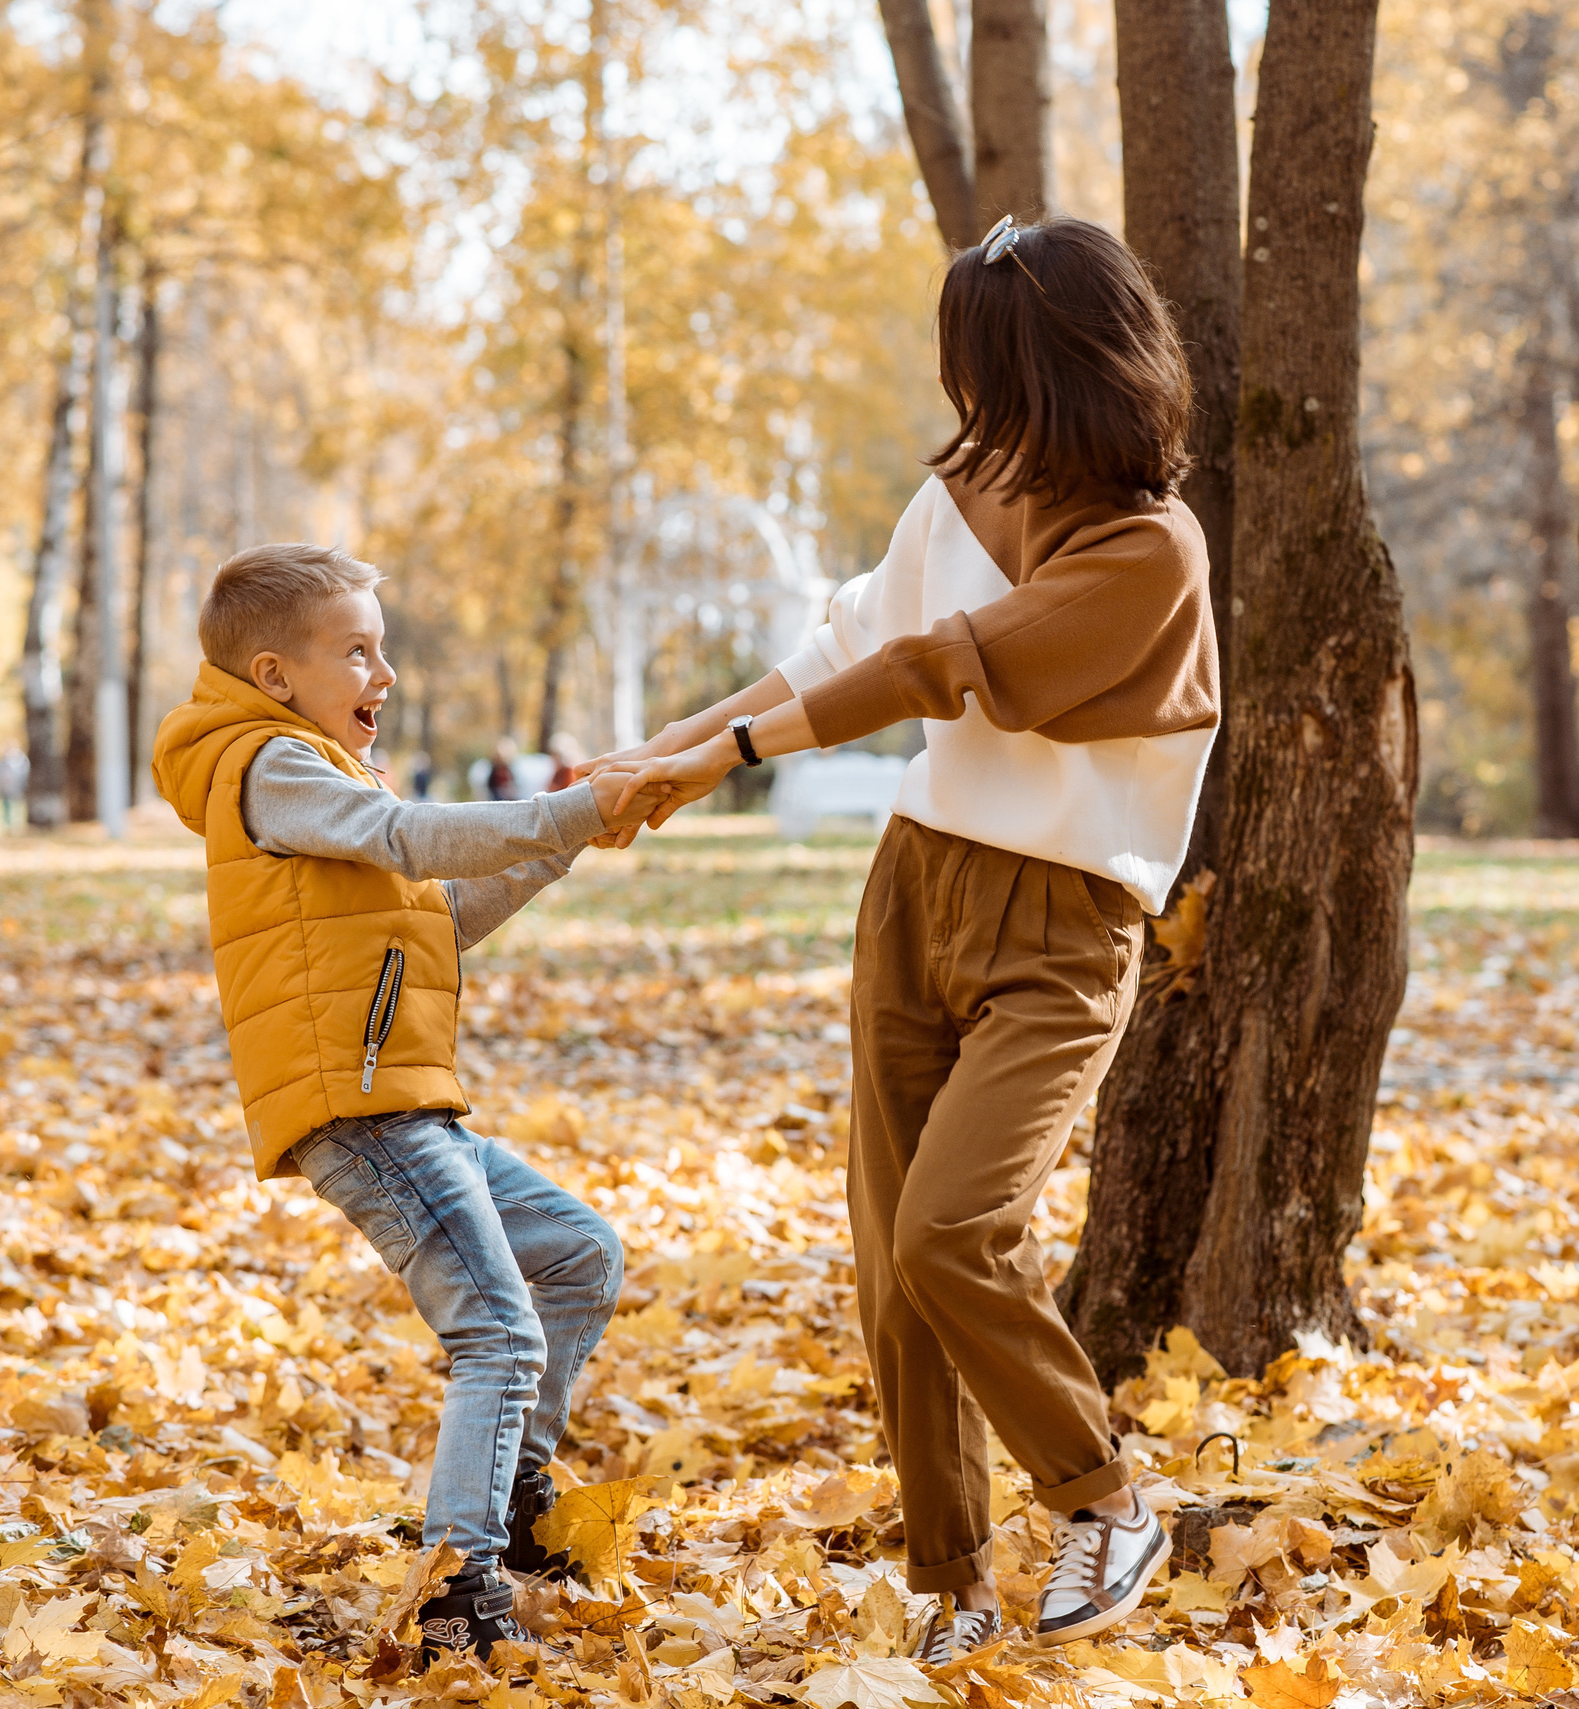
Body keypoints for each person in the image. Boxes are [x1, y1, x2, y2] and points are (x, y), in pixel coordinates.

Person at [597, 215, 1216, 1660]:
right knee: (891, 1263)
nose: (970, 405)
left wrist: (725, 757)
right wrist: (666, 750)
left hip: (1061, 928)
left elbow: (939, 666)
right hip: (918, 889)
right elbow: (840, 646)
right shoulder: (964, 490)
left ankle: (1105, 1497)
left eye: (986, 371)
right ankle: (955, 1589)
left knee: (952, 1230)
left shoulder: (1150, 554)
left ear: (1063, 368)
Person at [150, 544, 664, 1665]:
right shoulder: (271, 767)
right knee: (498, 1329)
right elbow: (408, 839)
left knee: (579, 1252)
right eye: (358, 650)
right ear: (276, 673)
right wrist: (561, 806)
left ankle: (509, 1494)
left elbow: (442, 913)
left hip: (405, 1100)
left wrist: (574, 832)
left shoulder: (322, 775)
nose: (383, 672)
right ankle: (459, 1586)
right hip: (359, 1105)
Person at [0, 745, 30, 831]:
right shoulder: (2, 762)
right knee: (6, 806)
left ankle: (17, 823)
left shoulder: (21, 761)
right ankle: (7, 823)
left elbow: (23, 775)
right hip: (5, 788)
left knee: (17, 806)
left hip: (17, 787)